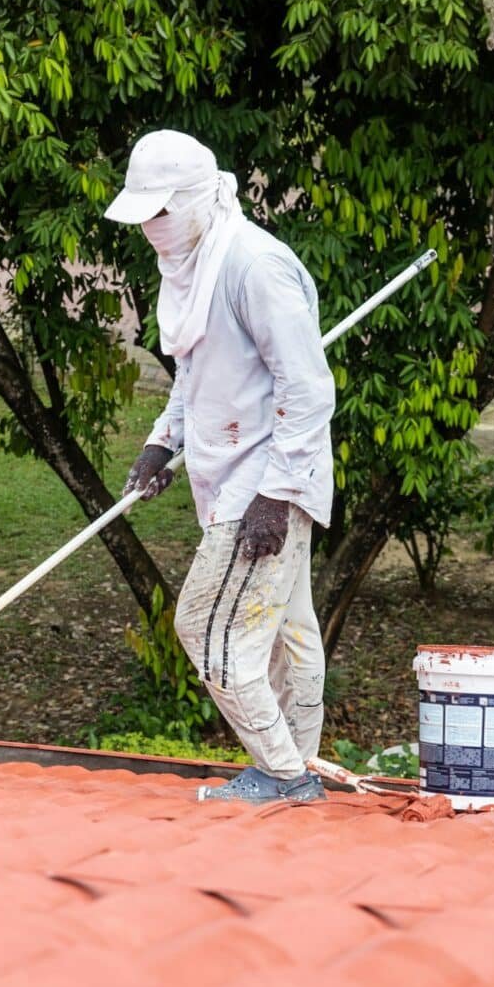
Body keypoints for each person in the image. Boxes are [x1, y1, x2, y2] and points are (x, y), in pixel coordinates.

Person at [105, 130, 335, 804]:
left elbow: (309, 389)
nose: (150, 227)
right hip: (230, 473)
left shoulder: (252, 266)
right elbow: (194, 374)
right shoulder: (190, 267)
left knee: (204, 627)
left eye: (161, 211)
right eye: (143, 213)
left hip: (266, 482)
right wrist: (159, 442)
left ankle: (283, 773)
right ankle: (305, 771)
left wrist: (277, 494)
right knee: (291, 632)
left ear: (201, 199)